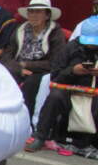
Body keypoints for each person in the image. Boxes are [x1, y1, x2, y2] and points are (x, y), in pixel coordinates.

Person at [26, 16, 98, 153]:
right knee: (55, 97)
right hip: (69, 91)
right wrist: (73, 71)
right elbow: (55, 75)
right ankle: (40, 136)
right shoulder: (70, 48)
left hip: (94, 94)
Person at [0, 0, 67, 119]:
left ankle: (27, 119)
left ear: (47, 15)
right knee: (4, 77)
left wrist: (27, 65)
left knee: (31, 83)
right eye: (31, 12)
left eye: (38, 12)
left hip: (43, 72)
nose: (34, 15)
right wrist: (19, 68)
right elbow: (7, 55)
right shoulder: (20, 30)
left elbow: (56, 61)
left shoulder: (55, 33)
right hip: (18, 68)